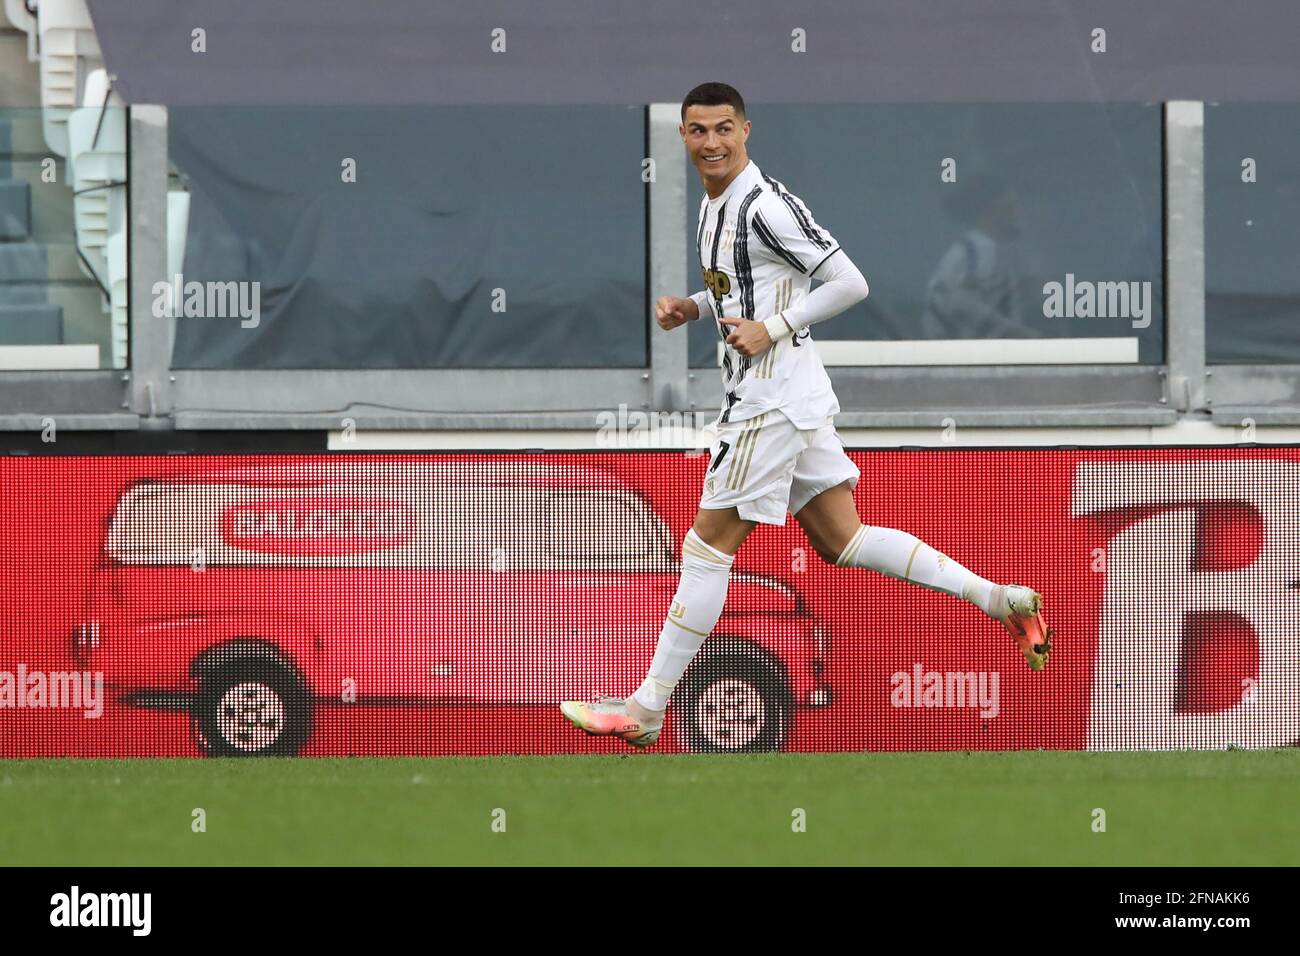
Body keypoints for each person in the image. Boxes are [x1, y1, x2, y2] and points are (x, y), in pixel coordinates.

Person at [561, 83, 1051, 748]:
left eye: (724, 129)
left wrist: (774, 329)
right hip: (790, 396)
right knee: (840, 539)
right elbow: (749, 286)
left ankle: (646, 709)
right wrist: (694, 308)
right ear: (682, 136)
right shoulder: (715, 207)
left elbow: (851, 282)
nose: (711, 142)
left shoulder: (765, 205)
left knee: (705, 548)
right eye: (699, 130)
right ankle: (999, 599)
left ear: (746, 131)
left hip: (770, 400)